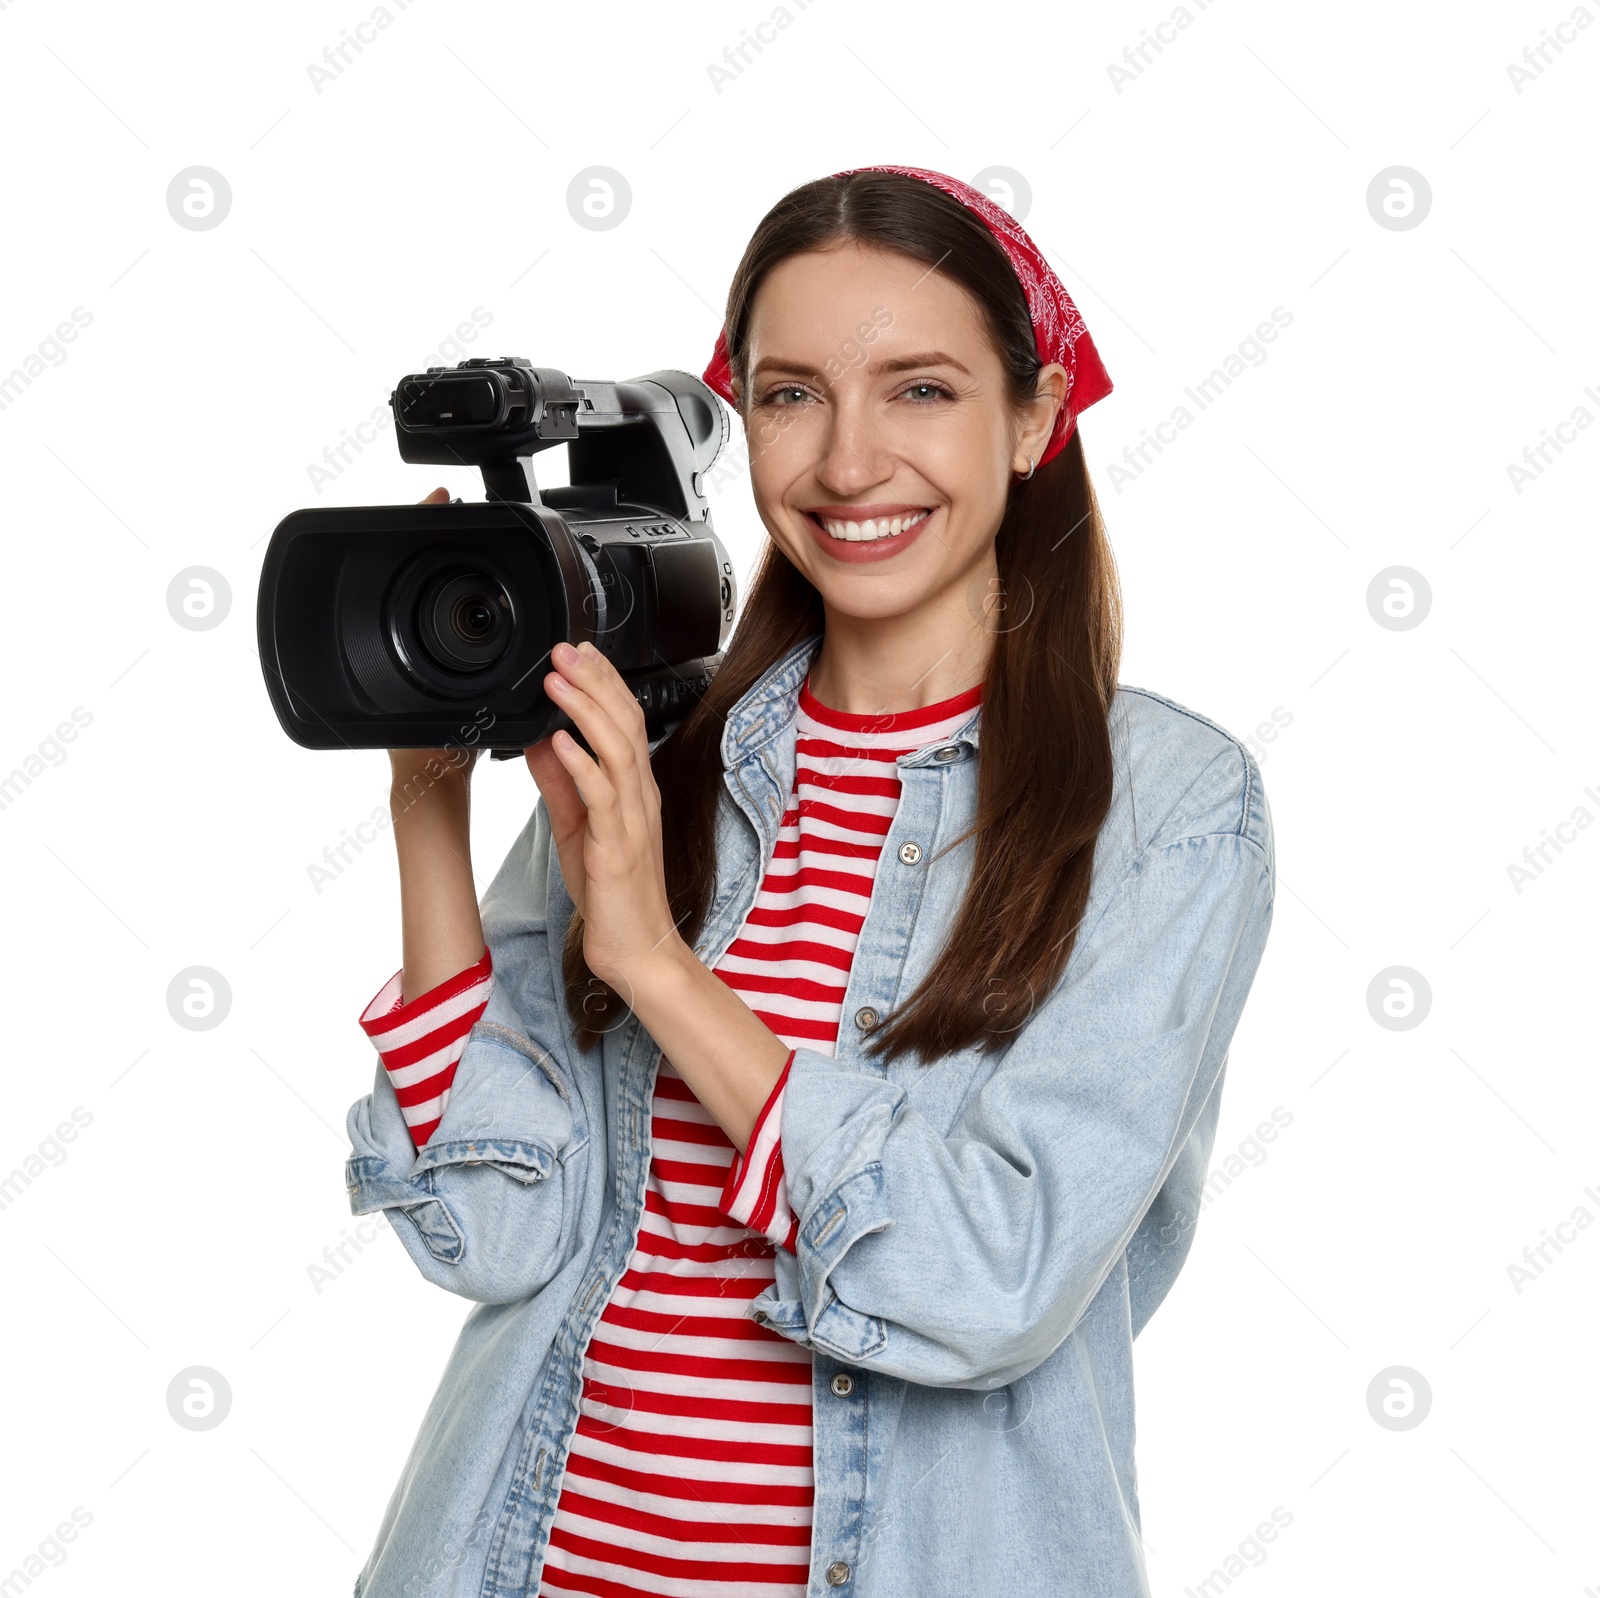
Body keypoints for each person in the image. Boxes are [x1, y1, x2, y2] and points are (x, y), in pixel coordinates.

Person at [343, 164, 1276, 1598]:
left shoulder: (1166, 809)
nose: (848, 465)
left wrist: (656, 961)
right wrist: (426, 800)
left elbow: (993, 1273)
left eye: (919, 390)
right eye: (790, 395)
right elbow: (500, 1230)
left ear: (1034, 416)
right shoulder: (662, 747)